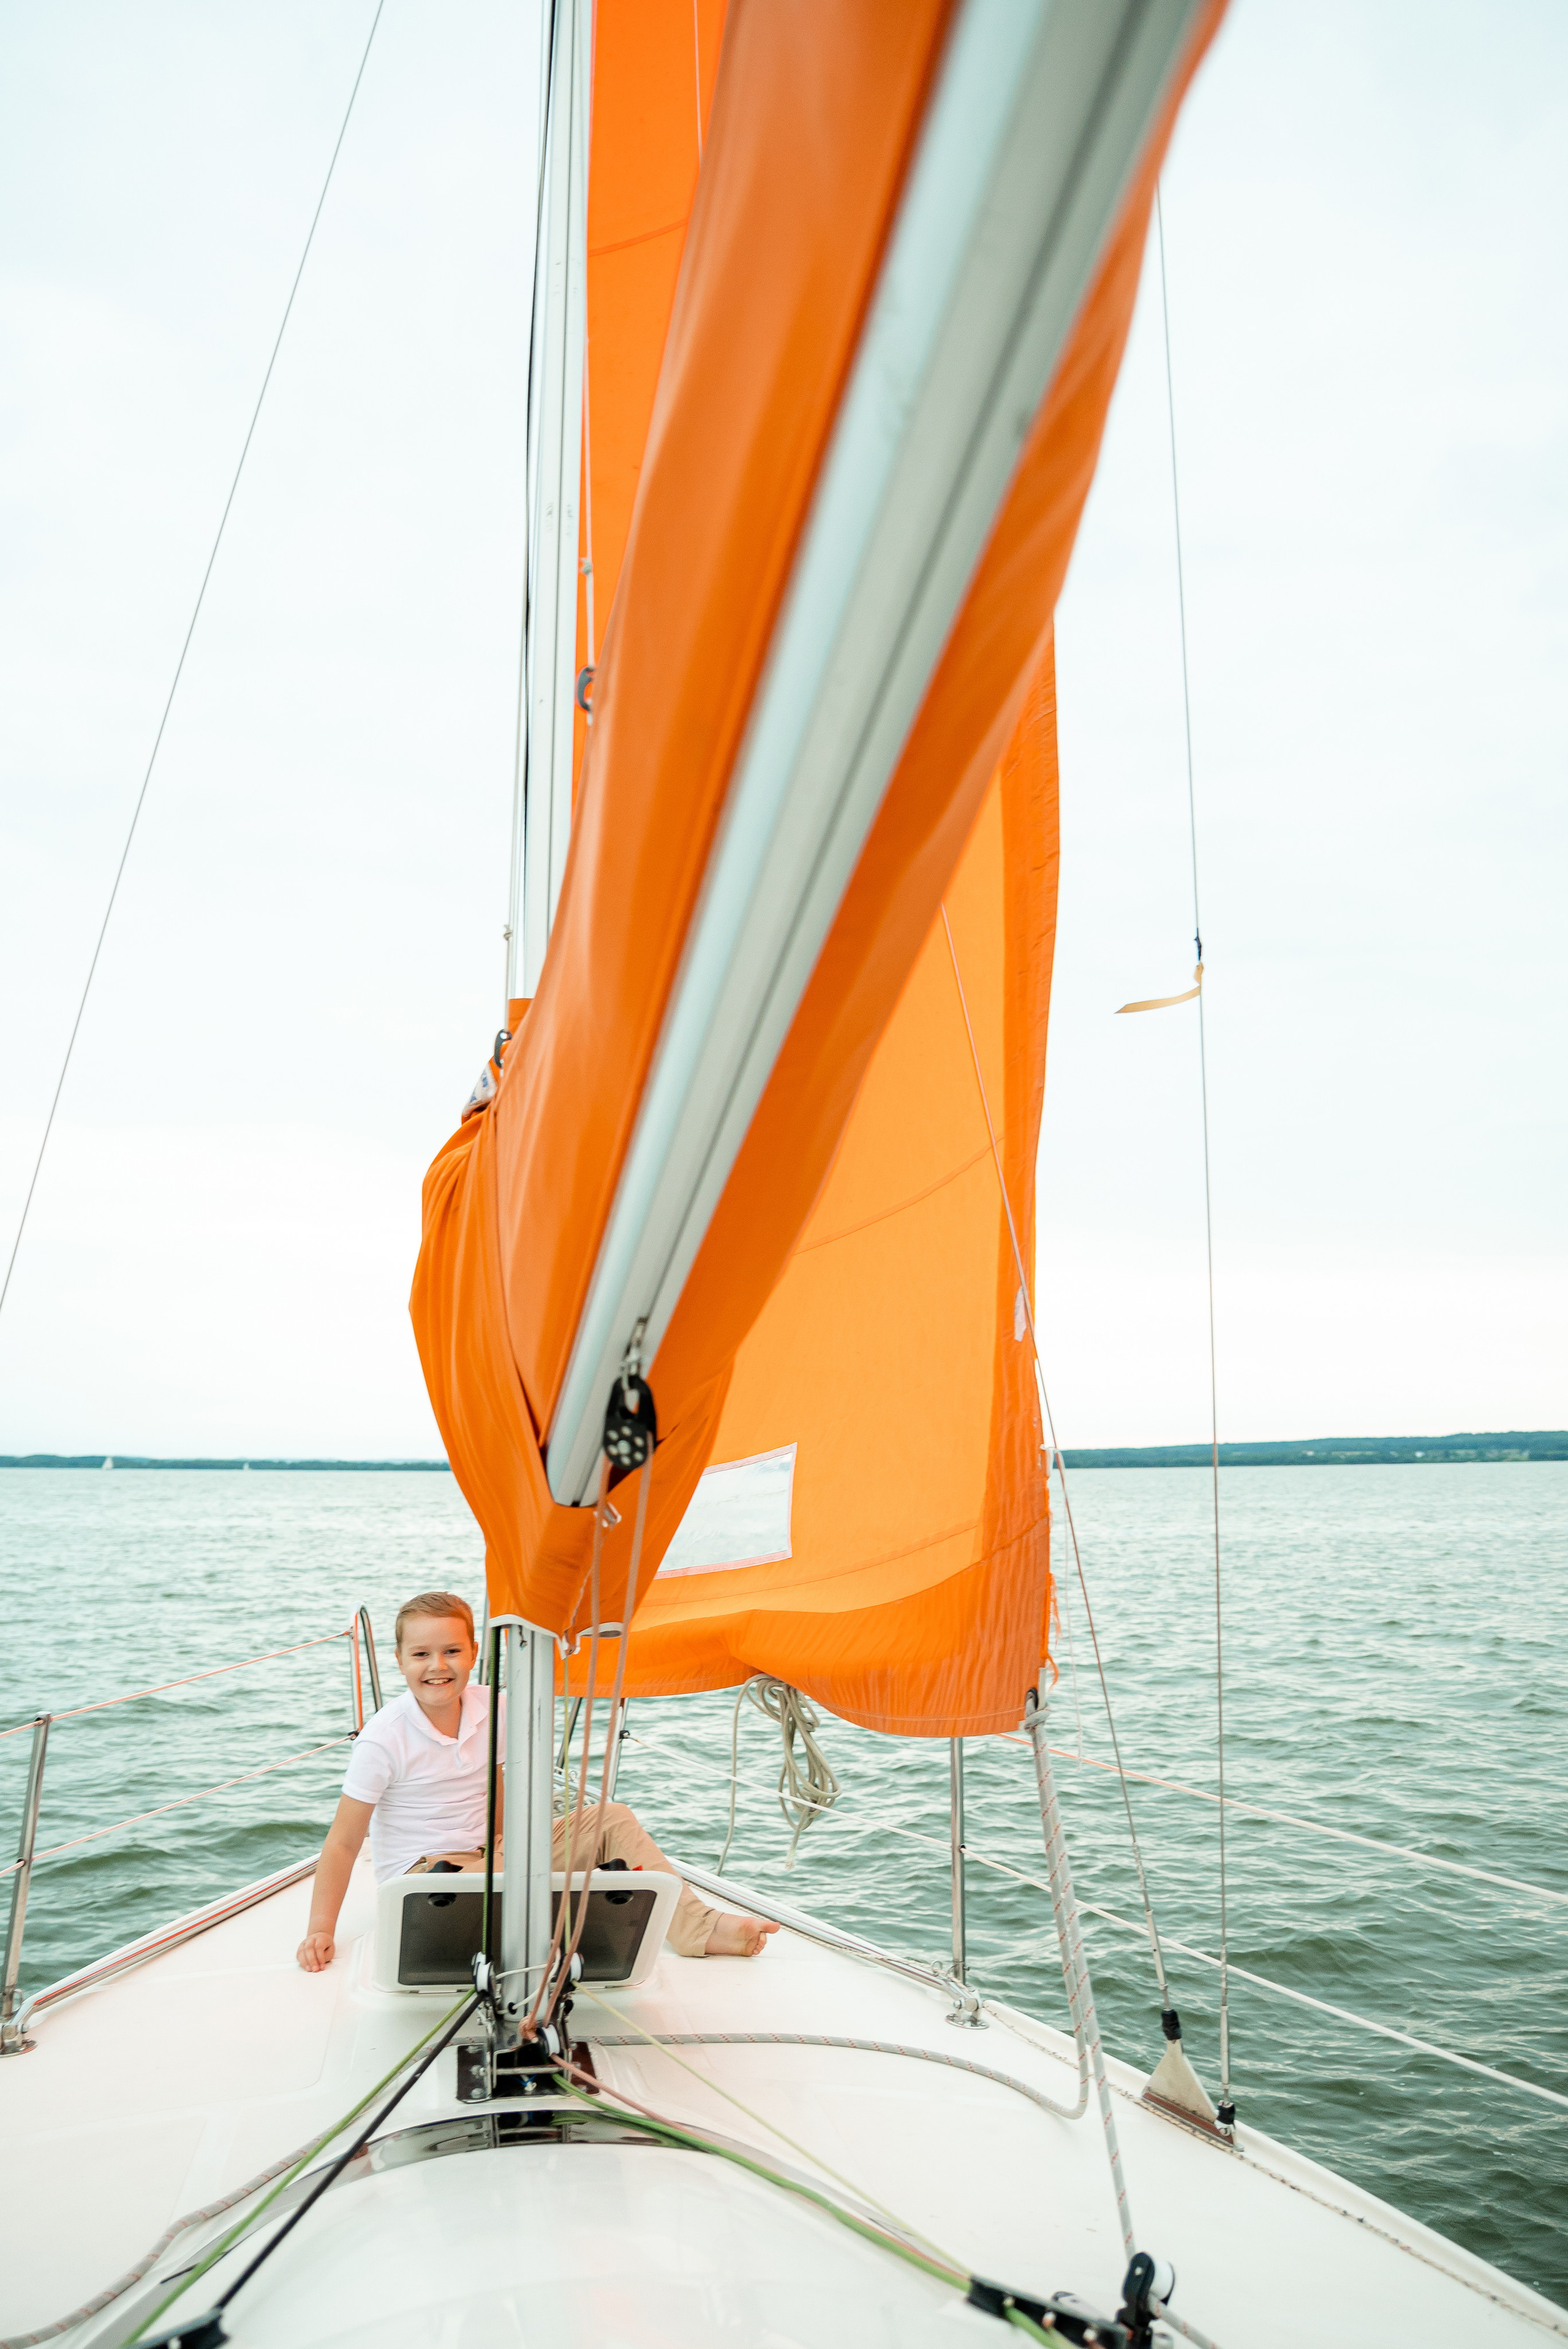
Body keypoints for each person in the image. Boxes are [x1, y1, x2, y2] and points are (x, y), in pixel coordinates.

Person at [296, 1589, 777, 1972]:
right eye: (421, 1654)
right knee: (514, 1895)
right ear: (400, 1660)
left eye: (452, 1651)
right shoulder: (383, 1740)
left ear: (474, 1653)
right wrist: (321, 1928)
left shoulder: (495, 1708)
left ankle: (701, 1929)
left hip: (493, 1852)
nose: (438, 1666)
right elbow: (342, 1844)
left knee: (613, 1817)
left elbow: (499, 1787)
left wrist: (510, 1845)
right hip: (428, 1874)